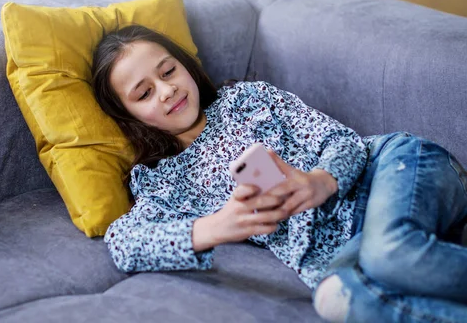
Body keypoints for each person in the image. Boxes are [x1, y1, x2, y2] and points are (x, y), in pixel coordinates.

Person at [91, 24, 467, 322]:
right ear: (130, 116)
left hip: (393, 168)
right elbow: (123, 243)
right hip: (349, 250)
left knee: (389, 256)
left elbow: (341, 141)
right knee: (337, 299)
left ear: (184, 66)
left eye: (168, 71)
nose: (167, 90)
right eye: (144, 93)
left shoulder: (247, 98)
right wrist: (218, 226)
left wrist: (322, 181)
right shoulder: (162, 183)